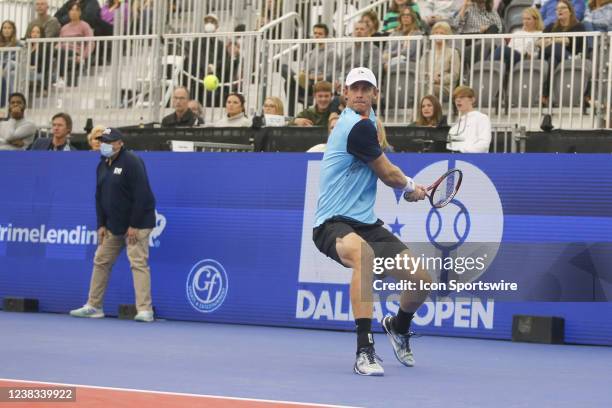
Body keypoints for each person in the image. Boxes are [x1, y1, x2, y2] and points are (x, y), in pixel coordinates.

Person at [312, 67, 430, 376]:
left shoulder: (372, 122)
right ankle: (364, 351)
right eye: (356, 88)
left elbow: (385, 164)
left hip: (365, 223)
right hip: (332, 223)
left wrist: (407, 185)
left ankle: (399, 325)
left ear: (375, 94)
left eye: (367, 88)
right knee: (363, 256)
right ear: (346, 94)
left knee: (421, 280)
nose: (361, 93)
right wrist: (410, 187)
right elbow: (388, 173)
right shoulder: (355, 125)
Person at [70, 128, 156, 322]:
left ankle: (144, 310)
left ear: (119, 143)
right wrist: (101, 224)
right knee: (101, 260)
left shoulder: (132, 162)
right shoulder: (102, 164)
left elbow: (143, 195)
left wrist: (134, 224)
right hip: (113, 225)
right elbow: (99, 196)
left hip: (137, 224)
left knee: (138, 262)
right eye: (101, 141)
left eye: (108, 141)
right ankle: (94, 306)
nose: (104, 144)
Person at [419, 22, 461, 100]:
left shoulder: (453, 52)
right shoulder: (427, 53)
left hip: (444, 86)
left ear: (447, 36)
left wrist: (440, 80)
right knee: (419, 87)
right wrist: (429, 77)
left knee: (429, 88)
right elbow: (421, 72)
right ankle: (419, 111)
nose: (438, 35)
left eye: (442, 33)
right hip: (428, 83)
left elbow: (455, 75)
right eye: (436, 33)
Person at [446, 86, 491, 152]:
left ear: (472, 100)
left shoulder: (482, 118)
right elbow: (449, 149)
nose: (458, 100)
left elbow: (484, 144)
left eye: (462, 97)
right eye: (456, 98)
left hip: (476, 161)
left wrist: (462, 151)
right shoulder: (454, 128)